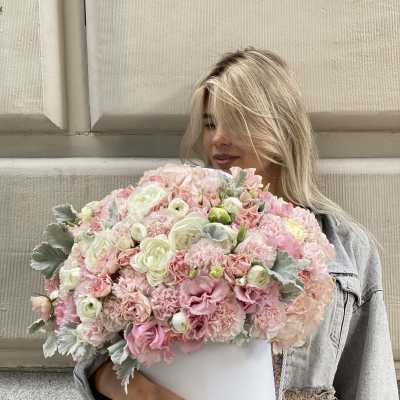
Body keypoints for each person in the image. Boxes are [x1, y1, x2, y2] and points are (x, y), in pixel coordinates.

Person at [74, 47, 399, 399]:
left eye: (236, 122)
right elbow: (95, 362)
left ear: (280, 127)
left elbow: (372, 384)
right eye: (210, 124)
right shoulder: (171, 231)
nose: (217, 139)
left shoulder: (347, 248)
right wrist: (147, 394)